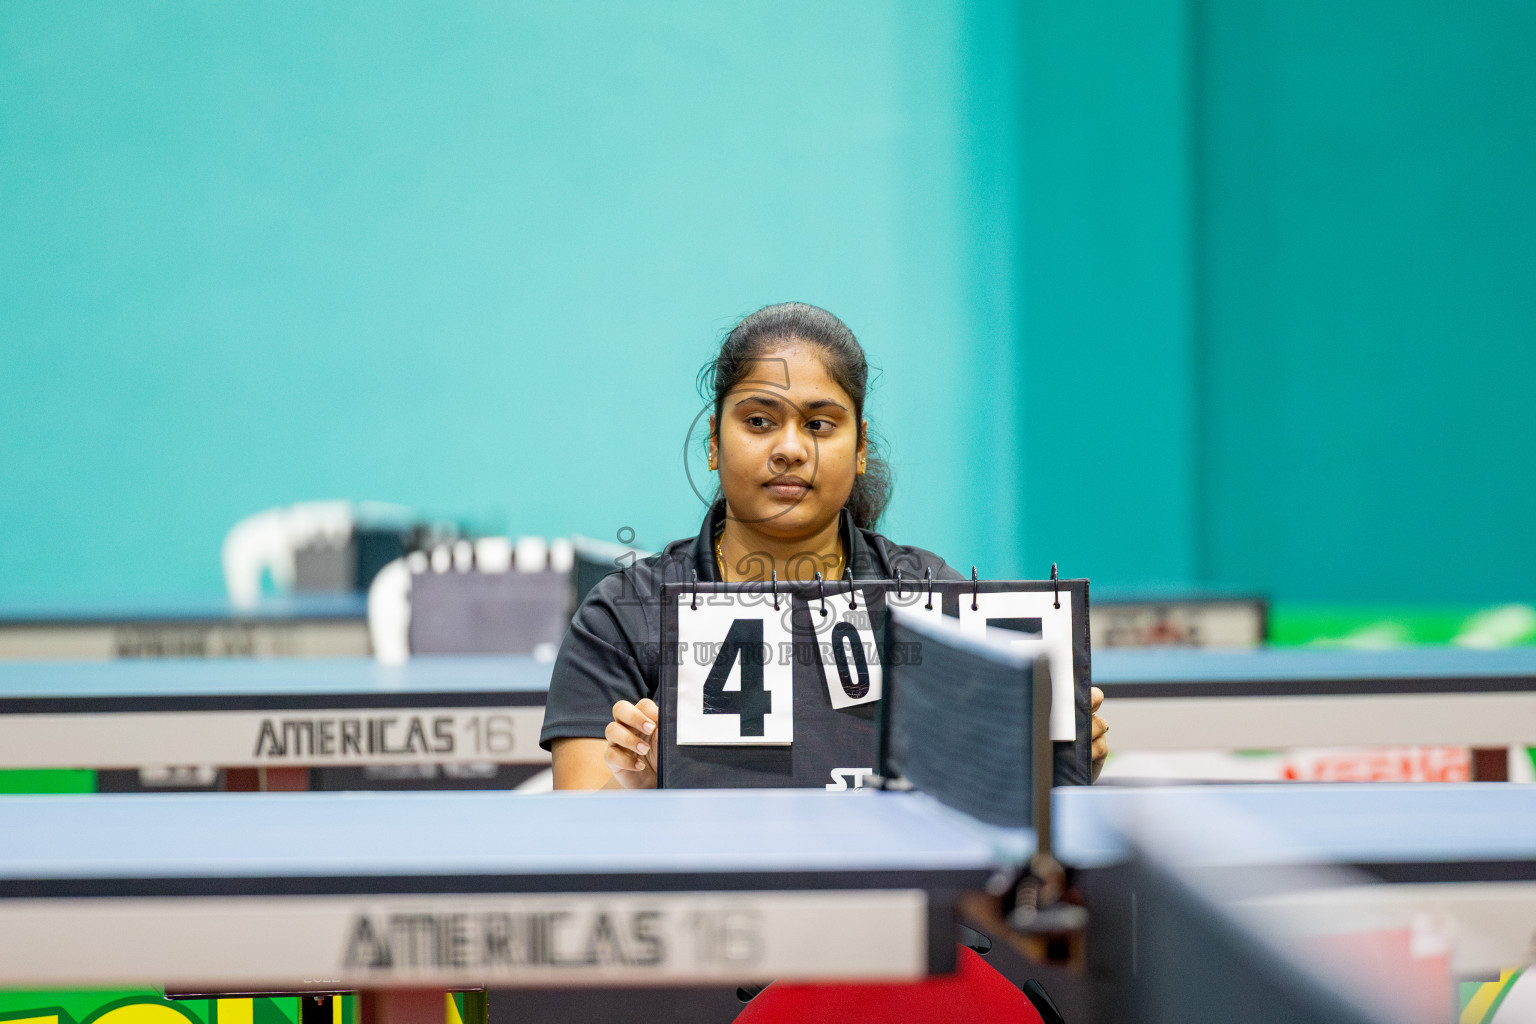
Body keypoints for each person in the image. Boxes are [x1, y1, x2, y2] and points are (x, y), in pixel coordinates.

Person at [541, 302, 1109, 789]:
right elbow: (582, 832)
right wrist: (639, 789)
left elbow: (991, 808)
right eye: (759, 420)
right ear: (713, 442)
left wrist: (1050, 763)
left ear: (860, 448)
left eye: (819, 425)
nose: (790, 448)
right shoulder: (620, 615)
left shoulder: (935, 602)